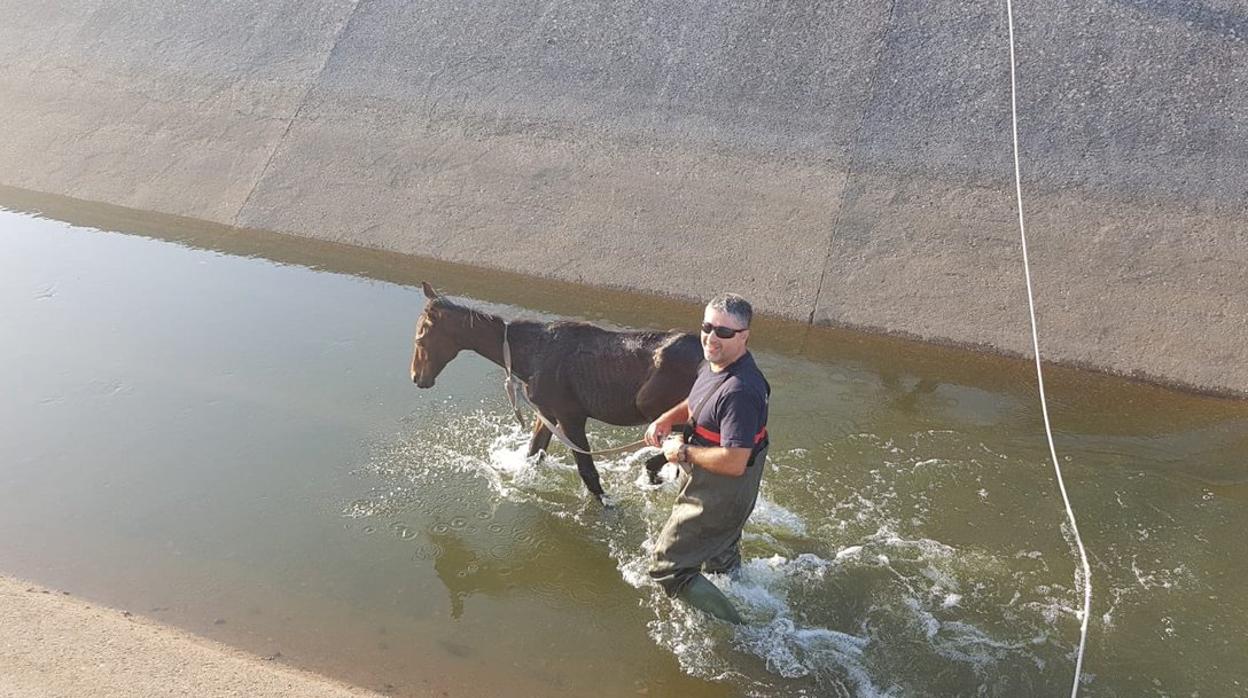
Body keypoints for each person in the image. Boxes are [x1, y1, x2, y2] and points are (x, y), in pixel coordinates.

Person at [643, 293, 770, 624]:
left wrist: (681, 452)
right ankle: (735, 586)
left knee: (667, 567)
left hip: (721, 491)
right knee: (719, 555)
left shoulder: (740, 391)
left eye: (724, 332)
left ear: (744, 336)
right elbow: (699, 399)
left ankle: (743, 632)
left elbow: (734, 461)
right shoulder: (716, 364)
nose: (712, 337)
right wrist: (667, 419)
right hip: (724, 489)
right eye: (707, 327)